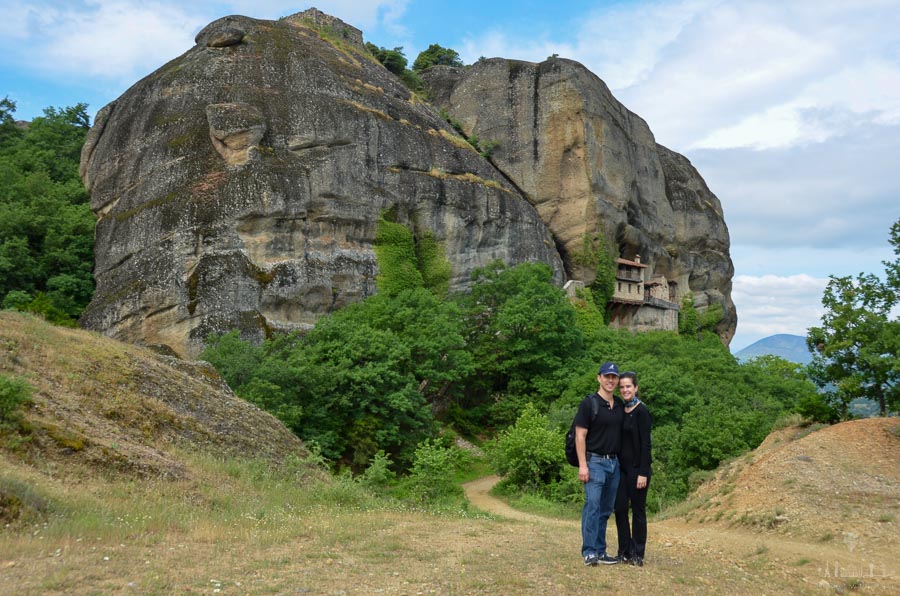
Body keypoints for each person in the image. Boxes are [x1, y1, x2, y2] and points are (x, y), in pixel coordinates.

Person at [575, 361, 624, 566]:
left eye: (614, 377)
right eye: (607, 376)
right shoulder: (589, 403)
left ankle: (601, 550)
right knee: (593, 507)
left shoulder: (619, 405)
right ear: (599, 378)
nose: (610, 380)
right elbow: (580, 435)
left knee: (605, 509)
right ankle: (589, 551)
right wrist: (582, 465)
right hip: (594, 462)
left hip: (614, 464)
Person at [614, 371, 652, 566]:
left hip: (638, 470)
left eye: (628, 386)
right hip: (621, 469)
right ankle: (624, 551)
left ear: (636, 388)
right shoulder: (620, 409)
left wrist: (643, 472)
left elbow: (646, 444)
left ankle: (638, 553)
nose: (625, 390)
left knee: (638, 511)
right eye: (622, 387)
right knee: (620, 508)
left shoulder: (642, 411)